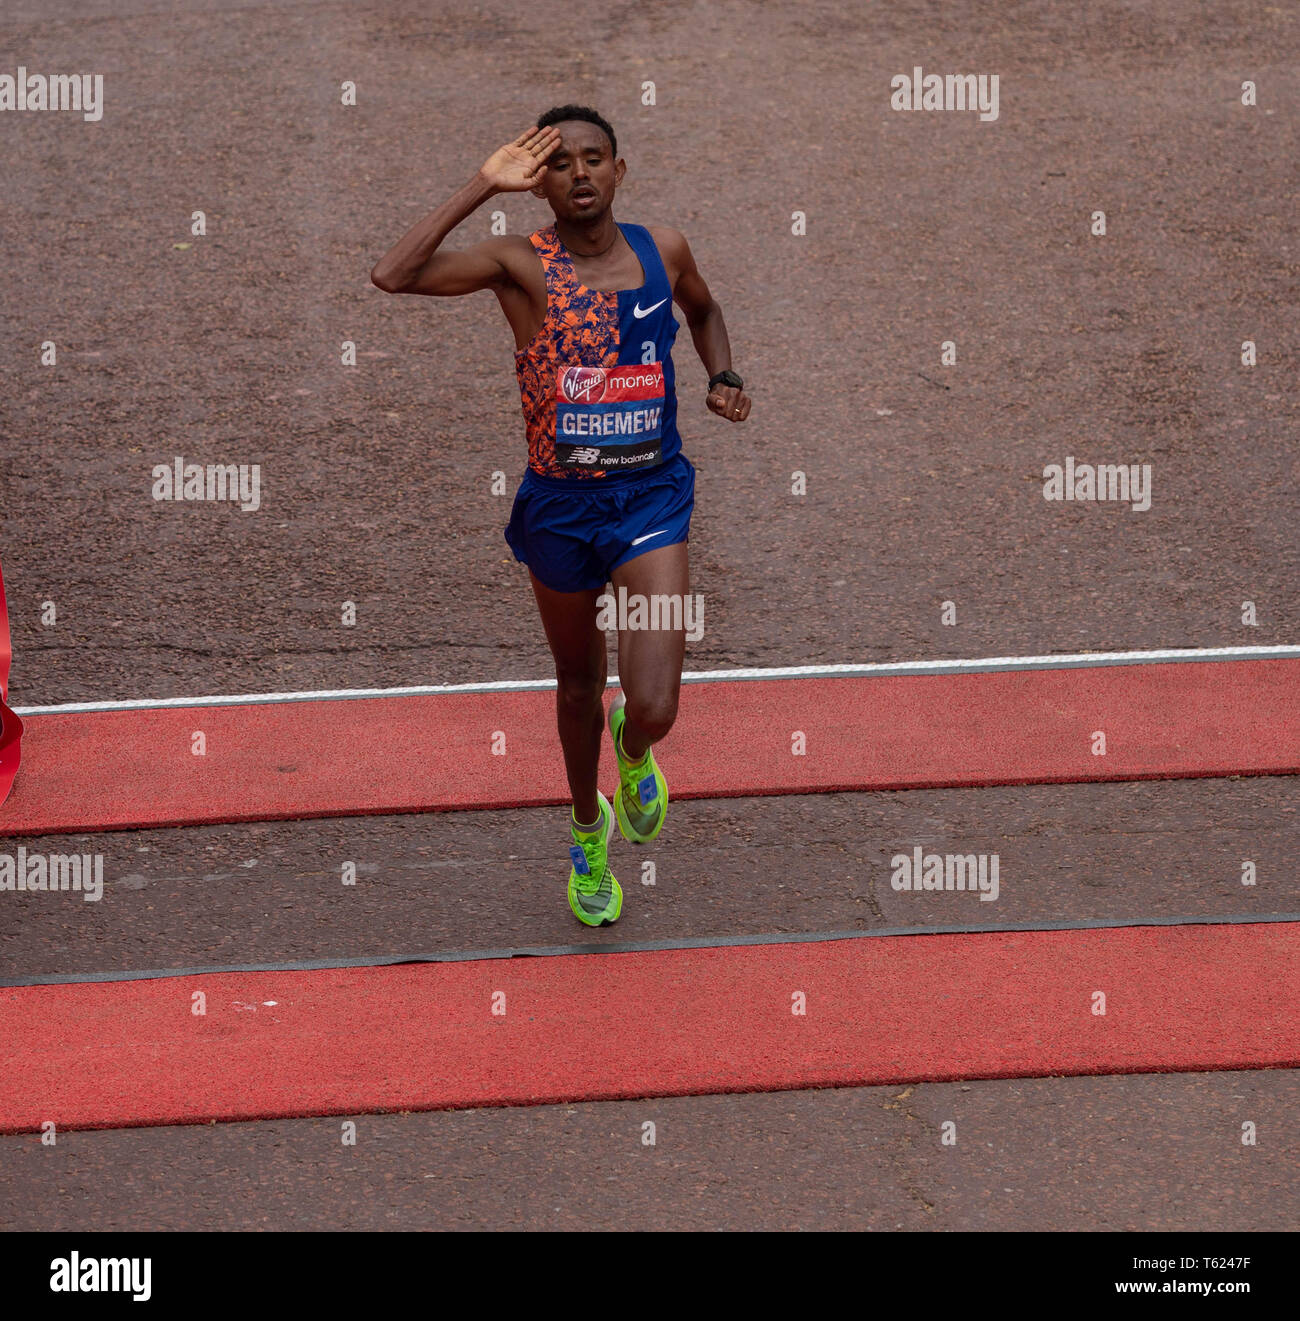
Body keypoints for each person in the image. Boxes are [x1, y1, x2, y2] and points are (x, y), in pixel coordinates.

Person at [371, 104, 750, 926]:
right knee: (578, 681)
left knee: (652, 704)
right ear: (536, 181)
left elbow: (705, 311)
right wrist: (481, 182)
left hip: (652, 495)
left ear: (620, 172)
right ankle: (587, 829)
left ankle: (638, 750)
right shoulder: (518, 263)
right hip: (560, 506)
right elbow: (392, 275)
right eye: (557, 163)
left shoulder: (664, 249)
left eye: (593, 158)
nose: (578, 173)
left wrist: (723, 375)